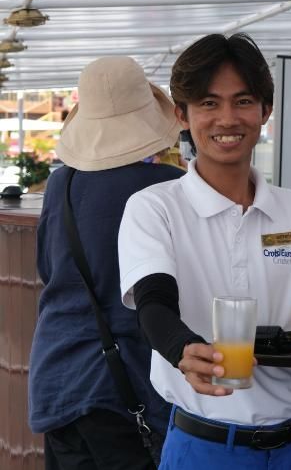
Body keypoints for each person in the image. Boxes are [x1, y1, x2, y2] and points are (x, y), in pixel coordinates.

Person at [117, 33, 291, 469]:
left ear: (265, 111)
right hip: (206, 449)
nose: (227, 119)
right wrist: (182, 349)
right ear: (183, 115)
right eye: (209, 103)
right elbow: (154, 303)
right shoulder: (155, 207)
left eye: (243, 101)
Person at [29, 56, 184, 470]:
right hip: (128, 383)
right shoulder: (168, 189)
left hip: (58, 377)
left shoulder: (61, 184)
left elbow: (49, 268)